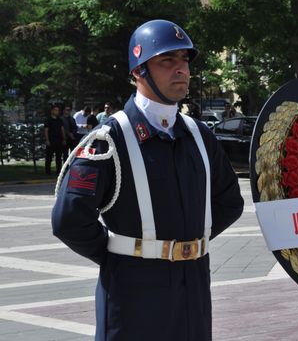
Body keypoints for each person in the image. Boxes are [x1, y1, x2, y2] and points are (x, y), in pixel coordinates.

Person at [51, 19, 244, 341]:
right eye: (167, 60)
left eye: (184, 59)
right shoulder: (110, 138)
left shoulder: (199, 135)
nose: (181, 69)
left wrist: (185, 242)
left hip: (194, 280)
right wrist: (125, 256)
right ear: (139, 71)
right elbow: (69, 219)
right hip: (134, 289)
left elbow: (229, 203)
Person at [44, 105, 66, 175]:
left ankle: (59, 171)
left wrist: (64, 139)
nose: (57, 112)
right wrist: (47, 140)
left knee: (59, 157)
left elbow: (62, 129)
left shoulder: (59, 120)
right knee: (49, 157)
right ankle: (48, 172)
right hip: (51, 140)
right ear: (52, 111)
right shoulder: (48, 120)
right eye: (55, 110)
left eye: (58, 110)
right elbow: (46, 130)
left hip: (59, 140)